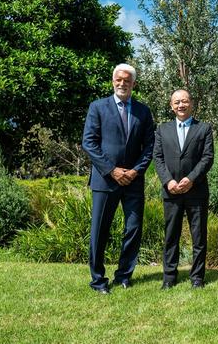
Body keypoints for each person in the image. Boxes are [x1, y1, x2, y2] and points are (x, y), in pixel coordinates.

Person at [81, 63, 155, 294]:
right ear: (113, 81)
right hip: (105, 181)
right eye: (118, 79)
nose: (122, 83)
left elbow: (149, 146)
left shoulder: (143, 111)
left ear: (134, 84)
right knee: (99, 230)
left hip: (133, 181)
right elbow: (89, 143)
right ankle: (98, 280)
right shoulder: (98, 107)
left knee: (133, 228)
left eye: (127, 80)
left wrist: (135, 171)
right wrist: (112, 170)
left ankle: (124, 276)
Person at [154, 89, 214, 289]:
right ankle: (169, 278)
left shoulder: (204, 129)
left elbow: (207, 158)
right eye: (177, 102)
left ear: (191, 104)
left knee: (199, 238)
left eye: (184, 101)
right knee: (171, 236)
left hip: (196, 192)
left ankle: (197, 278)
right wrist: (168, 181)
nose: (181, 105)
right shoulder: (163, 130)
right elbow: (158, 158)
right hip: (171, 192)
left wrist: (191, 179)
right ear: (171, 106)